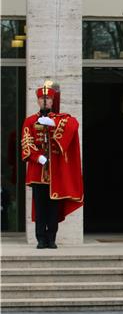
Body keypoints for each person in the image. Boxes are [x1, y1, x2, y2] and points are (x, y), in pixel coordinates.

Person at [20, 81, 83, 248]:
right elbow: (27, 142)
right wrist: (37, 157)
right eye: (42, 99)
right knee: (40, 207)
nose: (45, 101)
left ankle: (52, 237)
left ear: (52, 101)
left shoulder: (60, 119)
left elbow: (73, 124)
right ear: (38, 101)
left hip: (56, 171)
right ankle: (41, 238)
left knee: (53, 207)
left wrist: (53, 124)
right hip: (37, 170)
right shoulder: (30, 120)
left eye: (48, 99)